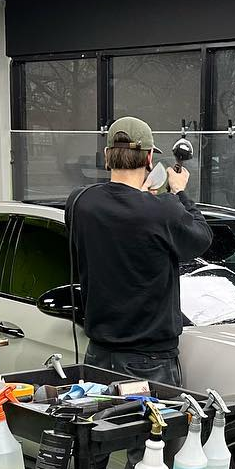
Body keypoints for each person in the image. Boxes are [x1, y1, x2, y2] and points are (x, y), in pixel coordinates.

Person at [67, 116, 212, 387]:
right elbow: (200, 239)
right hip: (150, 360)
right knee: (151, 430)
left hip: (98, 356)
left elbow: (121, 217)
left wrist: (145, 198)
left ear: (108, 156)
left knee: (99, 429)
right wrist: (180, 193)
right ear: (148, 160)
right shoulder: (164, 209)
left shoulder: (79, 202)